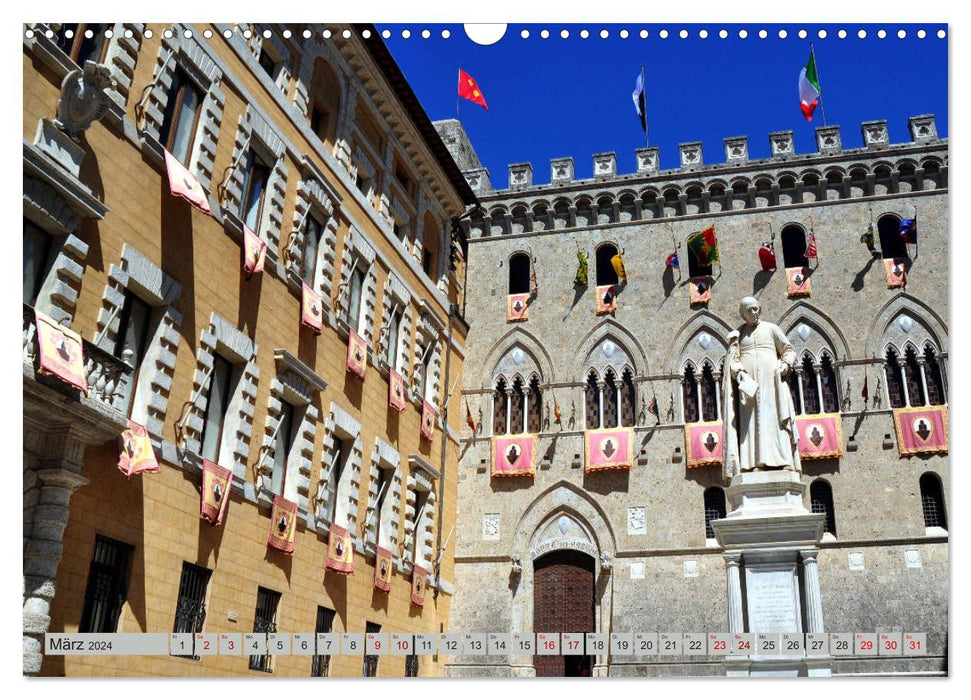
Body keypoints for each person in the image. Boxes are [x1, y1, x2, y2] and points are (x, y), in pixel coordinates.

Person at [722, 297, 801, 478]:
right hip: (749, 392)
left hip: (772, 386)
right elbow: (733, 360)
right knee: (751, 424)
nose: (755, 313)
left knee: (774, 420)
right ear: (743, 314)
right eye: (750, 310)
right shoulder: (738, 335)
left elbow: (789, 350)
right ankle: (753, 463)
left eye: (757, 309)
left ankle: (783, 461)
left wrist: (786, 364)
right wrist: (739, 371)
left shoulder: (771, 329)